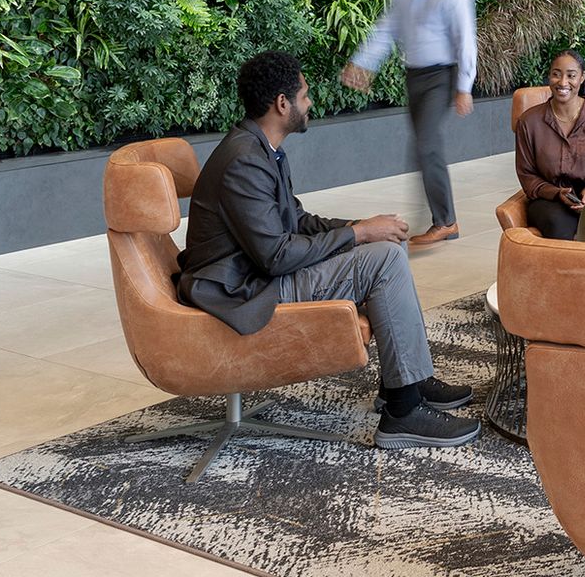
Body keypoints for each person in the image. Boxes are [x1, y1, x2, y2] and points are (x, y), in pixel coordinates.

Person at [178, 51, 480, 448]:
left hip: (255, 272)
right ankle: (403, 411)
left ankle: (405, 385)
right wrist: (359, 236)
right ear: (282, 104)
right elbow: (277, 256)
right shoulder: (244, 161)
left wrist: (360, 226)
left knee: (383, 245)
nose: (310, 103)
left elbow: (297, 220)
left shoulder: (259, 148)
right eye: (304, 96)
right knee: (384, 259)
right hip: (243, 289)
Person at [341, 0, 478, 246]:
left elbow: (465, 42)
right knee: (421, 148)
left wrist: (464, 87)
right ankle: (441, 216)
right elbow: (385, 31)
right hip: (413, 77)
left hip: (440, 78)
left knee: (427, 144)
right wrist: (362, 63)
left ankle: (446, 222)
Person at [513, 50, 585, 240]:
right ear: (549, 76)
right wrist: (557, 193)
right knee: (559, 223)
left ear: (582, 78)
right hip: (549, 200)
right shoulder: (529, 122)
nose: (563, 82)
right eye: (556, 74)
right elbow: (527, 176)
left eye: (571, 75)